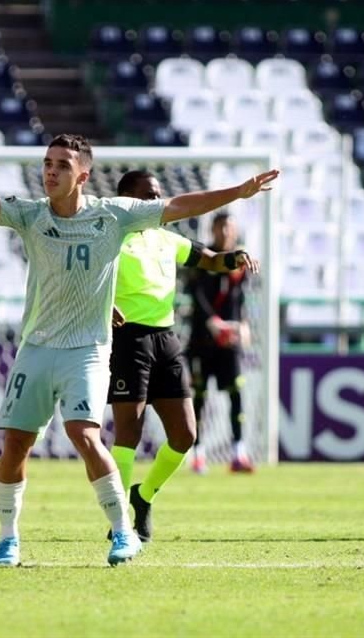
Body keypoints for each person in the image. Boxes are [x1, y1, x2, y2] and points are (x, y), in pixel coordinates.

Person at [0, 135, 278, 567]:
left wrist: (238, 191)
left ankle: (122, 533)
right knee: (15, 446)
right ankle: (7, 540)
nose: (51, 171)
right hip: (37, 347)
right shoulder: (31, 215)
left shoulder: (112, 215)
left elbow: (179, 206)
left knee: (84, 433)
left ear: (83, 174)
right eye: (47, 163)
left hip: (89, 350)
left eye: (61, 164)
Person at [107, 170, 259, 542]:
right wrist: (102, 305)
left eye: (158, 195)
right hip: (128, 338)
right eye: (148, 196)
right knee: (129, 429)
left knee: (185, 434)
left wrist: (232, 258)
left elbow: (206, 259)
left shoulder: (164, 237)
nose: (156, 202)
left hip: (166, 338)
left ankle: (142, 496)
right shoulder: (110, 237)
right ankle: (118, 520)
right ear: (125, 199)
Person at [186, 212, 255, 474]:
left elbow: (239, 299)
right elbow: (196, 294)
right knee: (200, 397)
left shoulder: (239, 261)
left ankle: (239, 453)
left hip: (230, 340)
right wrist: (211, 322)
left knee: (236, 393)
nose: (225, 232)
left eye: (229, 227)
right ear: (213, 230)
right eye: (221, 227)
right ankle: (198, 454)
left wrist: (243, 324)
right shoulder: (203, 258)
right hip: (203, 339)